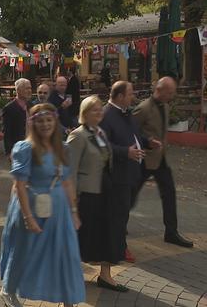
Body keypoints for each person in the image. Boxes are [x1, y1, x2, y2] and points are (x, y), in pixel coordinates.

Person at [0, 104, 84, 307]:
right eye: (40, 120)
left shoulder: (63, 148)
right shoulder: (25, 148)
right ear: (33, 123)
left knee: (65, 252)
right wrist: (28, 218)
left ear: (55, 121)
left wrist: (73, 211)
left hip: (59, 209)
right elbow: (19, 185)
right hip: (31, 205)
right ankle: (8, 290)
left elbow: (67, 181)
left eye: (49, 120)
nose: (45, 124)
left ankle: (67, 298)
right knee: (25, 250)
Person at [68, 96, 128, 292]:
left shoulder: (100, 132)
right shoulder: (78, 136)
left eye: (100, 109)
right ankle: (72, 273)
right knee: (84, 235)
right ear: (84, 113)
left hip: (105, 190)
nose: (99, 112)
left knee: (107, 232)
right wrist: (73, 203)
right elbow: (70, 171)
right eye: (94, 110)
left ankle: (105, 275)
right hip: (87, 194)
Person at [100, 81, 161, 263]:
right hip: (117, 175)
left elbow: (133, 134)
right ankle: (118, 249)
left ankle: (119, 245)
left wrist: (147, 142)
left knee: (124, 212)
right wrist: (125, 152)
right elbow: (103, 145)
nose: (133, 97)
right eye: (129, 94)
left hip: (131, 172)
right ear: (119, 96)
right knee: (118, 214)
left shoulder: (126, 113)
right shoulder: (106, 115)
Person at [133, 77, 193, 248]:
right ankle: (118, 224)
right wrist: (147, 140)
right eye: (170, 92)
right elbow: (132, 131)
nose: (172, 96)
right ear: (161, 90)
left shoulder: (165, 106)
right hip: (144, 160)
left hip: (160, 158)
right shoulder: (143, 108)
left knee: (169, 193)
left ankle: (171, 232)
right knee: (130, 195)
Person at [2, 78, 33, 156]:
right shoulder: (9, 108)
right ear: (18, 90)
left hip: (32, 146)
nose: (29, 91)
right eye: (27, 88)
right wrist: (9, 152)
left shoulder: (31, 105)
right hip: (18, 147)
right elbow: (7, 131)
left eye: (30, 88)